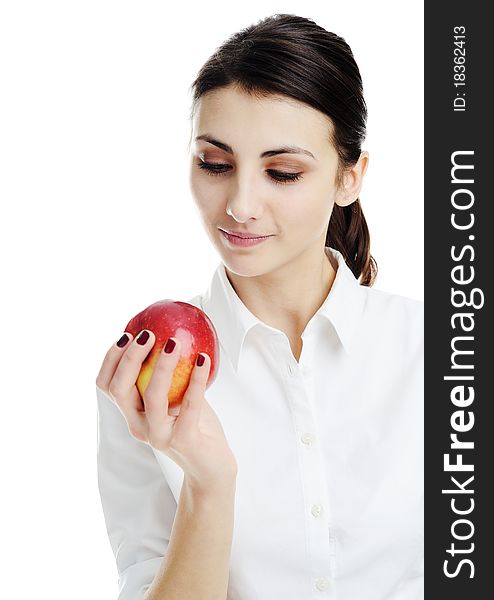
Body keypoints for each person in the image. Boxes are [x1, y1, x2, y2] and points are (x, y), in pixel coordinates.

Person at [95, 13, 423, 600]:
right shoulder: (145, 377)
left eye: (283, 172)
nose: (241, 204)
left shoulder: (437, 351)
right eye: (215, 164)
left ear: (350, 178)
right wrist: (209, 484)